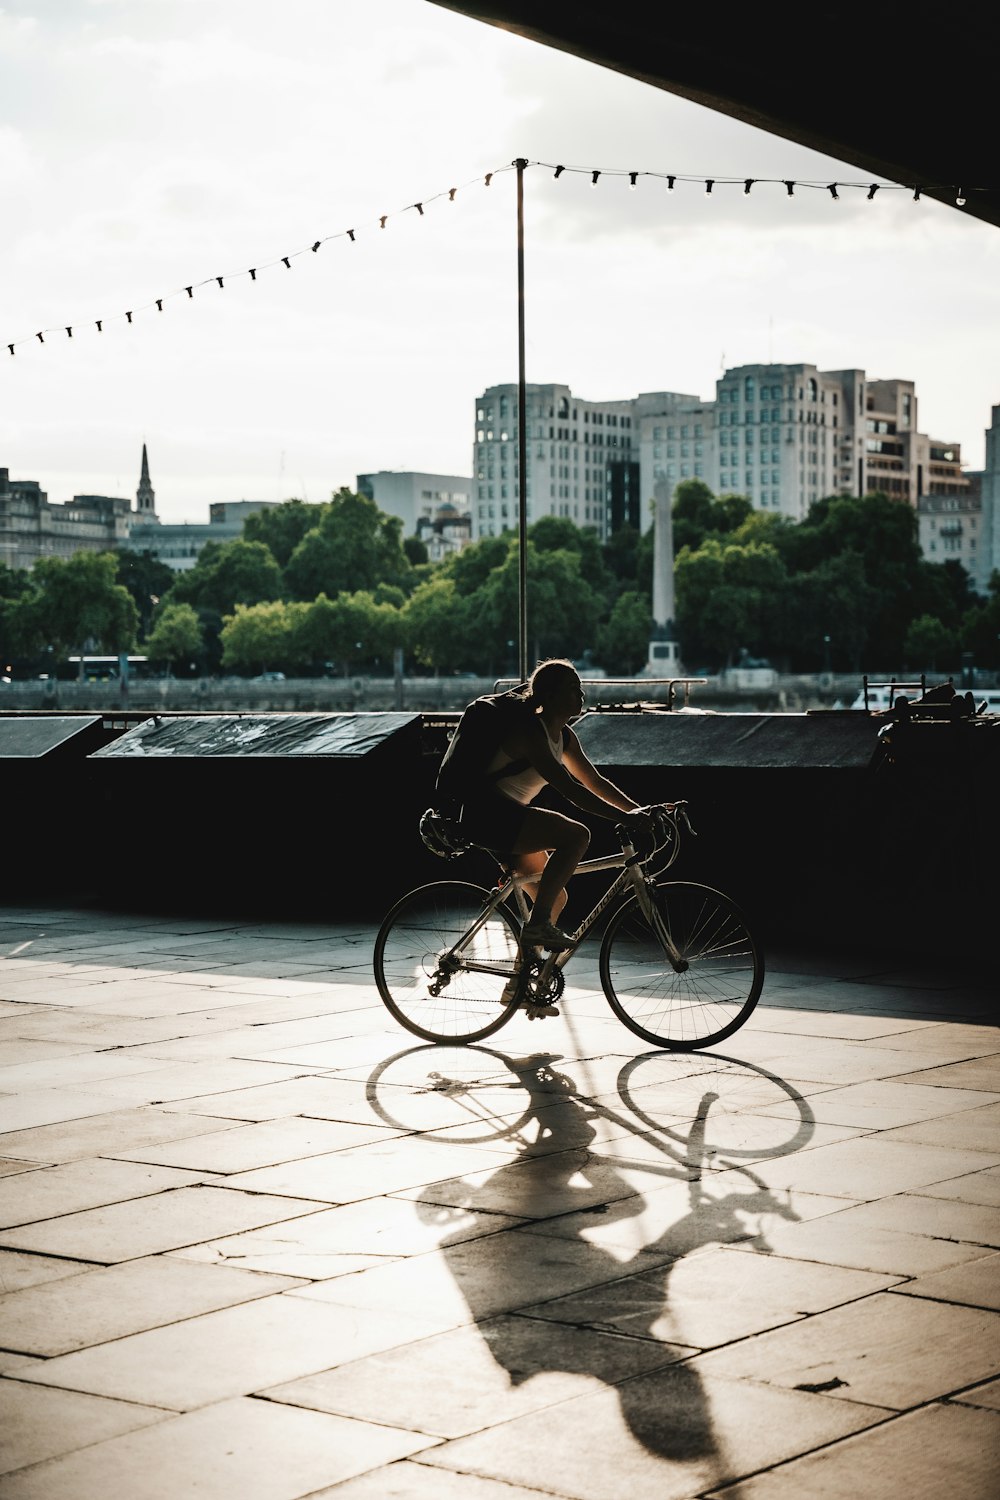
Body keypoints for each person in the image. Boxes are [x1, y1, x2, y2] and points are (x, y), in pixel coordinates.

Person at [459, 658, 652, 951]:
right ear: (549, 696)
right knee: (576, 836)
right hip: (489, 816)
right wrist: (627, 820)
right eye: (573, 689)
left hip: (511, 819)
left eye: (581, 688)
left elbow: (594, 782)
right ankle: (537, 927)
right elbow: (572, 790)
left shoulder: (564, 737)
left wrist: (637, 810)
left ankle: (521, 986)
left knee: (555, 899)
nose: (582, 695)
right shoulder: (530, 733)